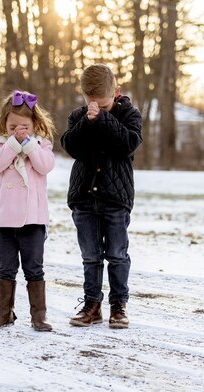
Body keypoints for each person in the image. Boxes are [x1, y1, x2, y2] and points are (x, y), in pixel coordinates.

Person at [60, 64, 143, 329]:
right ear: (84, 97)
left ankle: (118, 305)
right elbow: (71, 147)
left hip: (115, 199)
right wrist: (87, 122)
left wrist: (105, 119)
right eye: (92, 105)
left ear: (116, 93)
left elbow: (128, 144)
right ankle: (92, 304)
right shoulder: (78, 116)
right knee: (90, 256)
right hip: (84, 197)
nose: (98, 109)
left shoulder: (129, 114)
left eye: (105, 106)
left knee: (117, 254)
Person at [0, 90, 56, 332]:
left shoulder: (41, 145)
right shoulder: (1, 145)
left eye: (24, 126)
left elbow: (45, 167)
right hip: (6, 218)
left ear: (35, 125)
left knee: (34, 267)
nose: (18, 130)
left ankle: (39, 315)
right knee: (5, 266)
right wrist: (14, 144)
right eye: (13, 125)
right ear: (5, 124)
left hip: (33, 219)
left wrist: (29, 145)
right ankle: (4, 311)